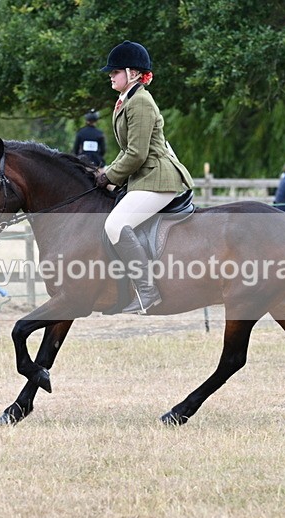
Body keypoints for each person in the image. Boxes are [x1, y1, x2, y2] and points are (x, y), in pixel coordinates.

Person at [96, 40, 194, 314]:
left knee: (115, 224)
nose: (111, 75)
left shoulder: (140, 102)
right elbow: (127, 150)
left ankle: (148, 292)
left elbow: (137, 154)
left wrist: (110, 176)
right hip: (145, 177)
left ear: (133, 73)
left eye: (115, 71)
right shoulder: (127, 101)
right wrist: (106, 174)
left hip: (158, 178)